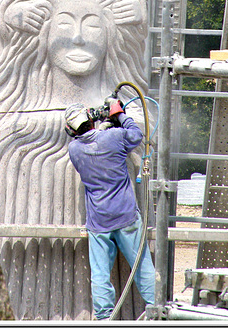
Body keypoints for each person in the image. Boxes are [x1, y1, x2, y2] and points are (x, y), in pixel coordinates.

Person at [65, 100, 155, 320]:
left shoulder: (74, 150)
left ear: (71, 130)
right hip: (125, 216)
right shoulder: (114, 137)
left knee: (100, 273)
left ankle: (105, 317)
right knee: (141, 266)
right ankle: (157, 307)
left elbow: (94, 144)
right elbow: (135, 135)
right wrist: (119, 115)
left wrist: (104, 126)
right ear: (90, 119)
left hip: (99, 220)